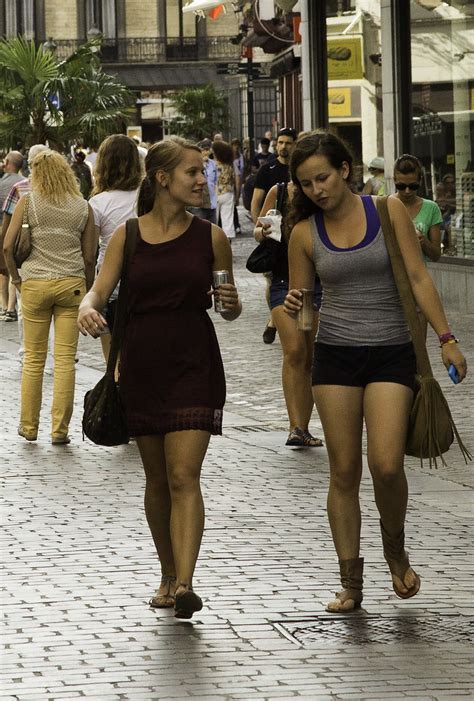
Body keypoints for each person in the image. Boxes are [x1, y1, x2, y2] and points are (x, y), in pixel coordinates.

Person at [283, 131, 467, 613]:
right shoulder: (304, 234)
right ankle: (351, 581)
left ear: (345, 170)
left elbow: (419, 277)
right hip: (335, 358)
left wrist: (447, 339)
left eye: (322, 177)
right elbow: (306, 312)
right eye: (305, 184)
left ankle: (395, 549)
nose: (316, 189)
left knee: (385, 465)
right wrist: (294, 307)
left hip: (391, 352)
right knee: (343, 470)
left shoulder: (388, 212)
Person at [77, 137, 241, 619]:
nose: (201, 180)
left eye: (203, 171)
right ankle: (167, 573)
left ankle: (186, 583)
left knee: (183, 474)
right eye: (192, 172)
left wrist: (232, 306)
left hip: (194, 364)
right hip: (143, 368)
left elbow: (226, 304)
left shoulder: (211, 237)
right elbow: (97, 293)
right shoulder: (128, 236)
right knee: (156, 479)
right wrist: (88, 310)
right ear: (163, 179)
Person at [3, 149, 96, 444]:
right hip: (72, 284)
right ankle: (59, 431)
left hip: (35, 284)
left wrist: (17, 279)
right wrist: (89, 290)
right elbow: (90, 256)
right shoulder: (82, 207)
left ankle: (29, 427)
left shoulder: (28, 202)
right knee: (66, 360)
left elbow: (7, 247)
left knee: (33, 360)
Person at [254, 181, 323, 448]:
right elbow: (258, 232)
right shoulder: (279, 191)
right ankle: (295, 427)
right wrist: (266, 231)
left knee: (310, 355)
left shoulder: (323, 193)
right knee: (295, 351)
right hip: (284, 282)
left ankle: (303, 428)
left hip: (317, 282)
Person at [89, 134, 143, 361]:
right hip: (143, 278)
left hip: (111, 286)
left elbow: (90, 254)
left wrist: (89, 293)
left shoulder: (97, 203)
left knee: (113, 359)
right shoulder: (146, 197)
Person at [251, 127, 297, 344]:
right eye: (280, 142)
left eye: (288, 142)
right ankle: (275, 317)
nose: (283, 146)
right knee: (273, 283)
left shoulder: (301, 173)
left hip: (299, 247)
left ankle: (272, 321)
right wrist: (260, 230)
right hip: (275, 243)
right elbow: (256, 201)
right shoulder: (267, 169)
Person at [393, 154, 443, 338]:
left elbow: (436, 254)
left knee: (418, 347)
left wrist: (423, 242)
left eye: (412, 186)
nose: (406, 191)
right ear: (394, 180)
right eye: (401, 186)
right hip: (390, 285)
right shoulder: (384, 206)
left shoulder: (431, 208)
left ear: (420, 181)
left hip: (417, 284)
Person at [0, 151, 24, 319]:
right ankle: (10, 307)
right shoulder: (25, 183)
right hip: (23, 232)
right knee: (15, 266)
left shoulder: (2, 183)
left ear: (7, 162)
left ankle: (5, 305)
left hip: (3, 227)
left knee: (3, 268)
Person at [188, 138, 218, 224]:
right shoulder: (195, 164)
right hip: (200, 204)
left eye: (207, 150)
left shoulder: (213, 164)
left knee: (213, 229)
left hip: (212, 203)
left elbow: (216, 181)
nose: (206, 152)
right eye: (204, 150)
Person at [213, 139, 237, 241]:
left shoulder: (213, 164)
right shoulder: (230, 165)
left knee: (214, 220)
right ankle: (228, 241)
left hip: (215, 193)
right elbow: (234, 180)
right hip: (228, 193)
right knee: (227, 220)